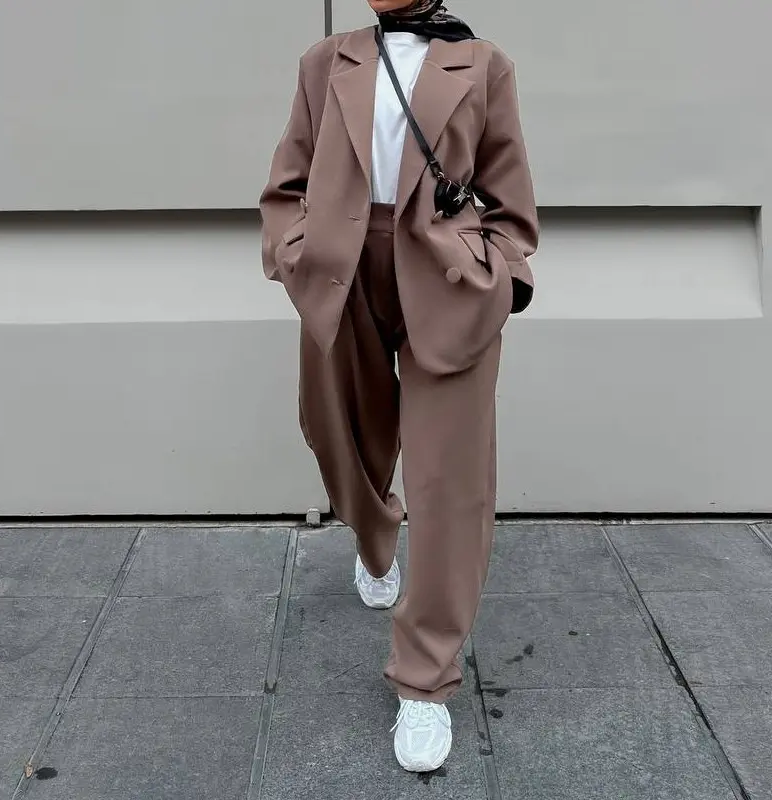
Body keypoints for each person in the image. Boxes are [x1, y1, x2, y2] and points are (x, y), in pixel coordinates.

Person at [259, 0, 538, 773]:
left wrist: (500, 276)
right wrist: (293, 253)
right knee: (338, 432)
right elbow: (285, 183)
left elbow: (513, 202)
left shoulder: (483, 64)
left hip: (448, 278)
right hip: (340, 272)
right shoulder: (327, 61)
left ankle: (424, 681)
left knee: (451, 481)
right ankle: (375, 534)